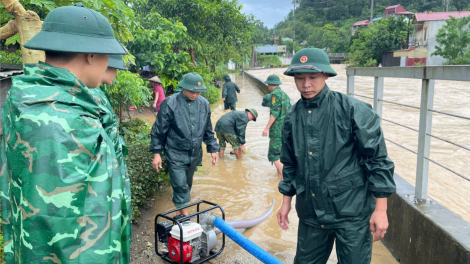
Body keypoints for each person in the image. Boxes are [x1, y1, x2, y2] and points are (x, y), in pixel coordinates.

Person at [0, 4, 130, 264]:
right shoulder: (70, 122)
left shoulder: (25, 97)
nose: (109, 64)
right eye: (107, 54)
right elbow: (69, 223)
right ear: (92, 55)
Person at [277, 47, 396, 264]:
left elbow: (377, 160)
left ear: (326, 75)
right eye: (300, 78)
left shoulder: (352, 110)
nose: (306, 85)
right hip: (311, 214)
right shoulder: (291, 118)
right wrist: (286, 202)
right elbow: (290, 165)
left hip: (351, 213)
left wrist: (381, 210)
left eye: (313, 77)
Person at [150, 72, 220, 216]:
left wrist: (213, 148)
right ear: (183, 87)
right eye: (191, 91)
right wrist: (157, 153)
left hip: (194, 154)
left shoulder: (204, 104)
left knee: (186, 186)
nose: (194, 94)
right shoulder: (170, 103)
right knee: (180, 186)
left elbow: (208, 129)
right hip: (175, 152)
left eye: (198, 92)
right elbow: (158, 130)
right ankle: (187, 220)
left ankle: (179, 215)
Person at [262, 74, 291, 180]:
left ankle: (285, 177)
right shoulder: (285, 94)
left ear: (269, 84)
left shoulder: (274, 94)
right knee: (281, 154)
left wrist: (267, 128)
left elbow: (275, 112)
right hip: (285, 130)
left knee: (273, 155)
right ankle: (280, 177)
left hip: (277, 130)